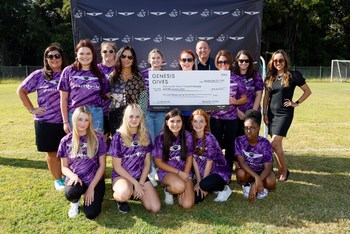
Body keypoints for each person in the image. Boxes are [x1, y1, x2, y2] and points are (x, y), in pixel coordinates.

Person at [17, 43, 68, 191]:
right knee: (52, 152)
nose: (54, 59)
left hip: (66, 120)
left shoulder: (69, 72)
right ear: (46, 59)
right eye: (50, 56)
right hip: (46, 121)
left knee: (67, 151)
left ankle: (66, 174)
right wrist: (31, 109)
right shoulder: (39, 75)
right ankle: (58, 180)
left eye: (56, 55)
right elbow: (21, 90)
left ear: (61, 57)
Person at [263, 49, 312, 181]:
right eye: (276, 60)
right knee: (278, 146)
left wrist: (296, 103)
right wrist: (264, 113)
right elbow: (266, 97)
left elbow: (307, 91)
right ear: (272, 62)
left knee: (274, 143)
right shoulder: (270, 77)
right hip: (271, 115)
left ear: (285, 61)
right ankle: (282, 170)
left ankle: (283, 171)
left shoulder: (293, 75)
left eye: (281, 60)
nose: (278, 63)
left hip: (284, 114)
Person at [109, 104, 160, 213]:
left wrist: (140, 183)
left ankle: (133, 191)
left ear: (141, 118)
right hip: (122, 176)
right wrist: (135, 183)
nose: (134, 119)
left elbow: (147, 163)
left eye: (137, 117)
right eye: (131, 116)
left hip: (140, 176)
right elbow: (117, 167)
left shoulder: (145, 135)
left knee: (155, 208)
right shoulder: (118, 137)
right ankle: (121, 199)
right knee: (123, 194)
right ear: (126, 118)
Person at [57, 106, 107, 219]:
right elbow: (64, 167)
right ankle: (75, 202)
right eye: (80, 119)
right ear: (74, 120)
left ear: (90, 121)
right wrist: (73, 175)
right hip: (77, 178)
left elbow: (102, 166)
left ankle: (91, 194)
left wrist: (91, 188)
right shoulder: (65, 141)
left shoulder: (98, 138)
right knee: (71, 193)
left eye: (86, 120)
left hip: (94, 179)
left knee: (91, 213)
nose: (83, 123)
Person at [58, 39, 109, 134]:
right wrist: (65, 121)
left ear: (93, 55)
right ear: (76, 54)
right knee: (78, 147)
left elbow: (107, 95)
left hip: (95, 115)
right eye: (81, 53)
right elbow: (63, 99)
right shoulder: (68, 71)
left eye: (88, 53)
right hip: (75, 114)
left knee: (96, 146)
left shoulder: (99, 72)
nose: (85, 56)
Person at [210, 50, 247, 170]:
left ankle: (227, 171)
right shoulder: (210, 78)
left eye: (225, 62)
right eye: (220, 62)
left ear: (230, 63)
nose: (223, 64)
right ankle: (216, 170)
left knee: (231, 146)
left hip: (232, 119)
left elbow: (244, 98)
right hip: (216, 119)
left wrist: (235, 102)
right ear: (216, 63)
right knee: (216, 146)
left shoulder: (237, 79)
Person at [153, 109, 195, 209]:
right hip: (167, 172)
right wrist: (178, 173)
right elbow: (158, 162)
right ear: (167, 122)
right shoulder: (160, 138)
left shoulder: (187, 135)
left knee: (187, 205)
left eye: (178, 121)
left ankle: (178, 189)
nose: (175, 124)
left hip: (184, 171)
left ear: (182, 122)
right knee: (179, 187)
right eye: (172, 121)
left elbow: (190, 157)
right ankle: (168, 191)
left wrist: (185, 173)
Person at [189, 109, 232, 203]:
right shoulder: (190, 138)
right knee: (195, 199)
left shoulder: (210, 138)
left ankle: (224, 189)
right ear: (191, 123)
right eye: (195, 121)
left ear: (205, 123)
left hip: (217, 171)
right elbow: (194, 161)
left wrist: (201, 184)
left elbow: (209, 162)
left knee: (205, 185)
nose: (198, 124)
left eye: (201, 121)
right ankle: (211, 187)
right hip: (201, 173)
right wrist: (198, 181)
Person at [235, 109, 276, 203]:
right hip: (248, 171)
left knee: (271, 182)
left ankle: (260, 186)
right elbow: (241, 163)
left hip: (262, 171)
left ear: (258, 128)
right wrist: (256, 178)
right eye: (246, 128)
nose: (248, 131)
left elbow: (268, 167)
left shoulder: (265, 143)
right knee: (240, 174)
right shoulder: (239, 141)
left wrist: (257, 181)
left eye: (252, 128)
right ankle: (246, 185)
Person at [140, 48, 167, 185]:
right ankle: (150, 170)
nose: (156, 60)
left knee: (159, 141)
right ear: (149, 60)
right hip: (148, 113)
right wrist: (143, 112)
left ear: (162, 60)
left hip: (162, 113)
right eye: (153, 58)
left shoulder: (167, 75)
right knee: (149, 140)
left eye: (158, 58)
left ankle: (159, 168)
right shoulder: (143, 75)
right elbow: (141, 95)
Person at [108, 45, 146, 137]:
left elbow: (143, 97)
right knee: (118, 143)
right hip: (116, 116)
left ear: (133, 60)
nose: (126, 59)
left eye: (130, 57)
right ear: (119, 58)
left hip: (133, 117)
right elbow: (107, 96)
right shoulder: (112, 76)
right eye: (123, 56)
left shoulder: (138, 77)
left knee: (132, 144)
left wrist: (142, 116)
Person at [233, 50, 264, 137]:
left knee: (251, 140)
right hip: (236, 114)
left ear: (250, 62)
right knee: (238, 141)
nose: (244, 63)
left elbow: (259, 94)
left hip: (253, 112)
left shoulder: (256, 75)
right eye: (241, 60)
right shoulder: (232, 76)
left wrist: (251, 113)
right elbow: (230, 95)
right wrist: (237, 111)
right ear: (237, 61)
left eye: (247, 61)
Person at [98, 41, 117, 144]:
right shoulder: (96, 69)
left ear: (115, 53)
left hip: (117, 110)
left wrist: (113, 96)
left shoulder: (121, 68)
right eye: (105, 51)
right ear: (101, 53)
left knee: (117, 140)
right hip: (100, 111)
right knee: (102, 141)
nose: (108, 53)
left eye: (111, 51)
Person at [178, 49, 196, 130]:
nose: (186, 62)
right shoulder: (173, 78)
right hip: (178, 117)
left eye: (189, 60)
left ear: (193, 62)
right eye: (183, 60)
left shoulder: (202, 77)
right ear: (180, 61)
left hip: (196, 117)